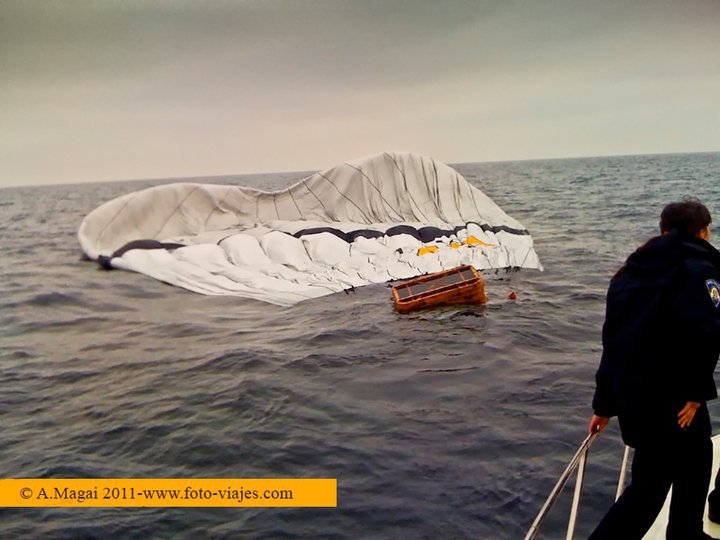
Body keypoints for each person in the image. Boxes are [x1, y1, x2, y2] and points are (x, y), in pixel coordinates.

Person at [588, 198, 720, 540]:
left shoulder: (629, 273)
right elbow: (707, 331)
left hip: (634, 399)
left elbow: (613, 342)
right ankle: (685, 534)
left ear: (663, 231)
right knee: (683, 470)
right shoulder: (698, 269)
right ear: (703, 231)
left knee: (648, 483)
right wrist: (695, 392)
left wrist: (604, 405)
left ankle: (685, 532)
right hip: (676, 401)